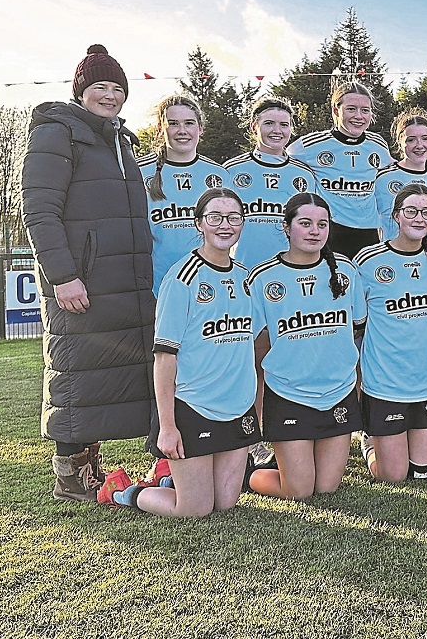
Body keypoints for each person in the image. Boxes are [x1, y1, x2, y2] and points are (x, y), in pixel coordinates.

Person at [22, 44, 155, 502]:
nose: (110, 95)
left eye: (118, 89)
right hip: (80, 281)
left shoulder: (120, 139)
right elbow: (39, 211)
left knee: (101, 375)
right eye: (101, 86)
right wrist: (62, 275)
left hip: (122, 281)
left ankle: (89, 466)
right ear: (80, 91)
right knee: (76, 373)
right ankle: (69, 474)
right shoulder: (56, 133)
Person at [98, 188, 258, 517]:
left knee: (226, 504)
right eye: (215, 217)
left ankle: (171, 480)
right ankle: (125, 492)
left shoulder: (246, 279)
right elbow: (164, 357)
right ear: (199, 223)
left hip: (237, 406)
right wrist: (167, 427)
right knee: (195, 509)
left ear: (243, 223)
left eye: (233, 218)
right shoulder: (182, 279)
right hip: (193, 407)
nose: (224, 225)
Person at [245, 193, 364, 499]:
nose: (314, 231)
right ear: (286, 227)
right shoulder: (263, 277)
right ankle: (248, 474)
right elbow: (253, 346)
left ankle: (284, 461)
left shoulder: (346, 272)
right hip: (288, 394)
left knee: (326, 488)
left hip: (337, 391)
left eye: (322, 224)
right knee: (299, 490)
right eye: (305, 223)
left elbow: (357, 330)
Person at [354, 186, 427, 482]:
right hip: (385, 383)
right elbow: (357, 326)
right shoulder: (368, 260)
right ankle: (369, 441)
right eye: (411, 211)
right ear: (396, 216)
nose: (419, 218)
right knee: (393, 475)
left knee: (423, 473)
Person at [288, 82, 392, 259]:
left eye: (365, 110)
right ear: (336, 111)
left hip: (369, 233)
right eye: (351, 109)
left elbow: (398, 170)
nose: (359, 116)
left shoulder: (378, 144)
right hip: (331, 231)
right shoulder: (311, 145)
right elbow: (281, 160)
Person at [139, 95, 230, 290]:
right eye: (173, 124)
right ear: (160, 128)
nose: (182, 131)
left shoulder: (218, 175)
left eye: (189, 123)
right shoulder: (139, 172)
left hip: (209, 284)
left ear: (200, 128)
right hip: (156, 287)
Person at [224, 96, 320, 270]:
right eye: (269, 123)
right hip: (243, 270)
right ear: (255, 127)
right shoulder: (231, 170)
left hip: (291, 271)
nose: (277, 130)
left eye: (284, 125)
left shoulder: (304, 174)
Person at [372, 109, 427, 249]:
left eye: (425, 138)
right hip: (394, 263)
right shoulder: (383, 178)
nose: (420, 145)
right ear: (399, 142)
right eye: (411, 139)